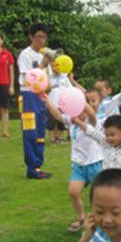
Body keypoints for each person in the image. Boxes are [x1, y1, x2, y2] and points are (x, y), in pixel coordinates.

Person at [43, 88, 104, 231]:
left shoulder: (94, 122)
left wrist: (82, 102)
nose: (77, 113)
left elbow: (92, 115)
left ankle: (98, 219)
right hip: (78, 165)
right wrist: (47, 101)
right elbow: (58, 115)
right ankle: (82, 217)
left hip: (95, 163)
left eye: (80, 109)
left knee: (98, 195)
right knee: (73, 192)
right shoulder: (71, 122)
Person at [18, 23, 54, 180]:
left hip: (41, 96)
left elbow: (48, 78)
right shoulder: (26, 55)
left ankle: (38, 165)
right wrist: (43, 64)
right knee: (30, 132)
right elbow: (29, 78)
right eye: (38, 37)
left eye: (44, 37)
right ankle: (32, 167)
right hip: (28, 96)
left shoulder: (44, 55)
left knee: (40, 132)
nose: (41, 40)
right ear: (31, 37)